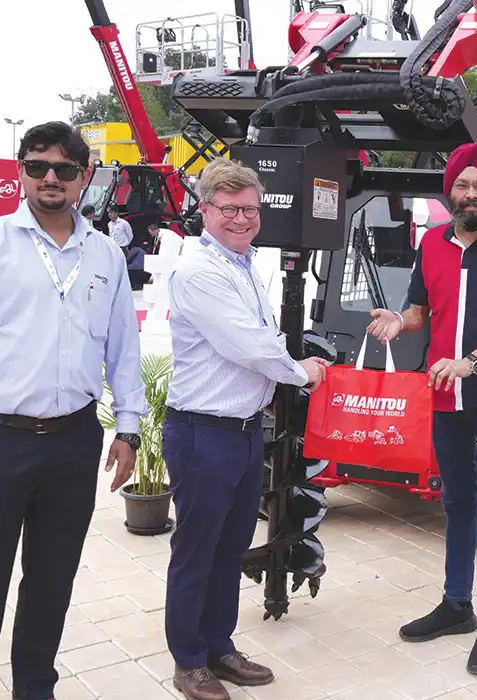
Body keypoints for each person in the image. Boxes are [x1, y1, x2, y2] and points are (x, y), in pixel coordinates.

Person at [0, 121, 146, 700]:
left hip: (74, 442)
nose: (50, 178)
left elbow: (123, 348)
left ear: (83, 178)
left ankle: (34, 689)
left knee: (52, 580)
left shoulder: (105, 256)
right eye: (37, 166)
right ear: (19, 170)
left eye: (65, 169)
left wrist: (129, 429)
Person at [367, 142, 477, 676]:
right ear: (450, 191)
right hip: (444, 398)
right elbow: (421, 311)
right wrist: (400, 322)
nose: (471, 194)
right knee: (455, 502)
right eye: (462, 185)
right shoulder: (433, 245)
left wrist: (474, 362)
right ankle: (456, 604)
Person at [163, 158, 331, 700]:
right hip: (203, 431)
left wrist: (289, 364)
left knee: (231, 545)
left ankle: (219, 645)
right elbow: (250, 346)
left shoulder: (245, 265)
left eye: (251, 209)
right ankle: (189, 660)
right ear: (205, 210)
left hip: (241, 430)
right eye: (230, 209)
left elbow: (265, 338)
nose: (242, 218)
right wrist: (300, 373)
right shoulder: (200, 271)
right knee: (196, 549)